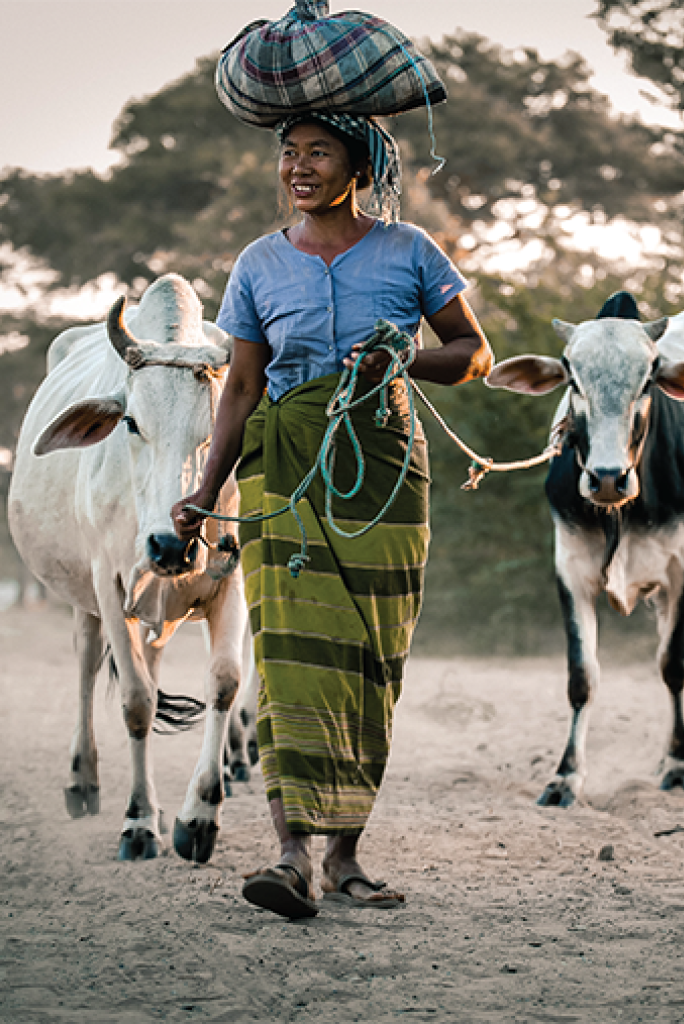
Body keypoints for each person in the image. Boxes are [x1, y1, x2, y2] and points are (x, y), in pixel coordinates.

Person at [171, 110, 492, 919]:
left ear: (362, 164)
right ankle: (290, 856)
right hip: (282, 475)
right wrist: (205, 493)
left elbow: (473, 353)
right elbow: (241, 388)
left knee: (368, 663)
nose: (298, 167)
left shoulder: (411, 250)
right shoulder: (258, 264)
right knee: (288, 657)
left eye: (319, 152)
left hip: (382, 472)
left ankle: (347, 855)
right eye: (289, 153)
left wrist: (405, 356)